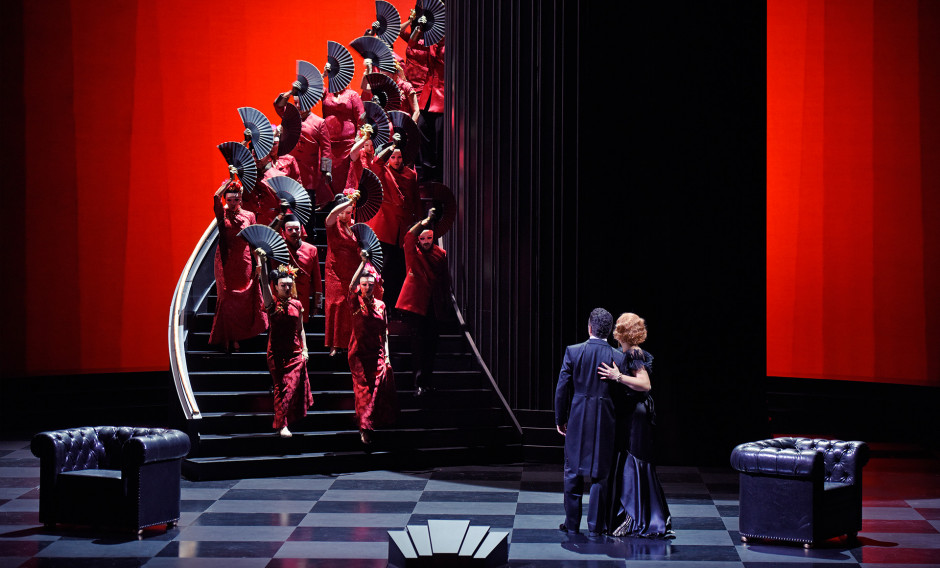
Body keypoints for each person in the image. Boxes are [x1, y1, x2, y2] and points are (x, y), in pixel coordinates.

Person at [598, 313, 674, 538]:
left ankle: (635, 518)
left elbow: (645, 384)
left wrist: (617, 376)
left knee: (634, 461)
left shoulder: (633, 353)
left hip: (637, 415)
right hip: (634, 413)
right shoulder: (630, 352)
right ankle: (637, 515)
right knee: (632, 460)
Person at [554, 308, 625, 535]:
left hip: (577, 418)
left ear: (589, 327)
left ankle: (572, 524)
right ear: (609, 330)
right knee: (600, 474)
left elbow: (562, 389)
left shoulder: (574, 352)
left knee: (573, 472)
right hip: (605, 421)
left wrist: (560, 418)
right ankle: (596, 527)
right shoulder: (618, 357)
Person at [209, 169, 268, 351]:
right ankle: (227, 336)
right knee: (226, 298)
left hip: (243, 260)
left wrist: (258, 262)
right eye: (229, 200)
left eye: (236, 200)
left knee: (243, 297)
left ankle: (239, 336)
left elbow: (253, 240)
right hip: (225, 259)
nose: (233, 203)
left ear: (241, 199)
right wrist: (229, 181)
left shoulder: (249, 216)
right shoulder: (222, 214)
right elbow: (214, 197)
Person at [256, 257, 313, 438]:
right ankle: (282, 425)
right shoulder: (272, 304)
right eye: (283, 285)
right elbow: (264, 283)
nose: (287, 288)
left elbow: (301, 329)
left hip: (295, 353)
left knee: (290, 387)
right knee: (281, 388)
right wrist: (263, 261)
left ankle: (284, 422)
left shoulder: (297, 304)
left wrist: (305, 350)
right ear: (277, 286)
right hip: (277, 353)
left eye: (289, 285)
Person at [396, 211, 450, 396]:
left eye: (429, 238)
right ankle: (418, 384)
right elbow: (408, 237)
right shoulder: (413, 252)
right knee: (418, 345)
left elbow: (445, 281)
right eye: (423, 238)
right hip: (417, 305)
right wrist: (425, 220)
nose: (426, 241)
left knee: (431, 346)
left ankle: (427, 382)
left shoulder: (440, 254)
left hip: (433, 305)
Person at [347, 250, 398, 444]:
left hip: (376, 352)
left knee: (375, 390)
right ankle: (364, 428)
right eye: (364, 285)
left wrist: (387, 354)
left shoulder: (381, 305)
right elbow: (350, 285)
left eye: (370, 285)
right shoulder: (355, 301)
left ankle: (369, 421)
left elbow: (384, 331)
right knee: (362, 391)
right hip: (358, 353)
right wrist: (363, 263)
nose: (367, 288)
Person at [274, 83, 334, 206]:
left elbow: (326, 149)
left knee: (307, 206)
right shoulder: (289, 116)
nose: (299, 106)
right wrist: (291, 92)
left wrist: (326, 170)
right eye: (296, 103)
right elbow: (278, 105)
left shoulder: (319, 122)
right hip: (289, 169)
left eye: (302, 103)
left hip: (309, 171)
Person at [323, 190, 361, 356]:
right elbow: (332, 214)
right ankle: (334, 344)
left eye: (348, 212)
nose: (345, 215)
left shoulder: (355, 225)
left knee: (352, 304)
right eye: (343, 212)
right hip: (335, 271)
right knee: (337, 304)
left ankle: (352, 343)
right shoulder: (332, 224)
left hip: (353, 268)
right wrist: (349, 202)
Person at [322, 66, 365, 201]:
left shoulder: (352, 95)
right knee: (327, 173)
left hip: (347, 144)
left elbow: (362, 118)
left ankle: (345, 202)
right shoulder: (325, 93)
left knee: (346, 177)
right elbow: (311, 89)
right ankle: (328, 201)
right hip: (328, 143)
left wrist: (358, 139)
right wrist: (323, 74)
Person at [280, 214, 322, 323]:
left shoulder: (312, 249)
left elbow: (317, 278)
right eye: (290, 230)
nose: (294, 232)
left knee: (300, 328)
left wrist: (317, 303)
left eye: (297, 229)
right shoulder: (278, 248)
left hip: (303, 295)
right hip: (282, 295)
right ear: (284, 232)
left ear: (301, 230)